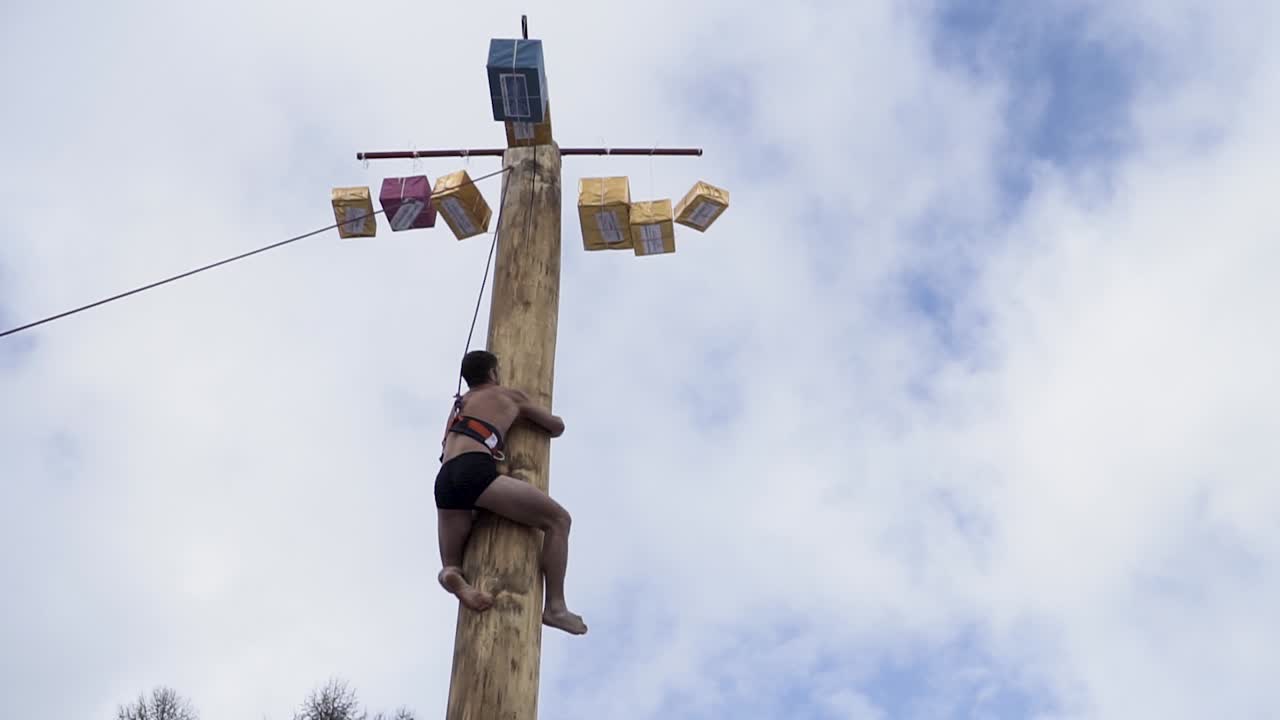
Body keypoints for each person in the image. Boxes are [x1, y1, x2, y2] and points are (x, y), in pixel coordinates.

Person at [434, 349, 587, 636]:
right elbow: (556, 427)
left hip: (445, 479)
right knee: (558, 520)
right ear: (493, 373)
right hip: (474, 469)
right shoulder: (508, 395)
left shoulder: (458, 406)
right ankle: (555, 606)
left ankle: (454, 578)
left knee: (451, 564)